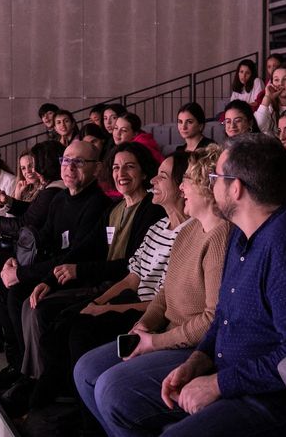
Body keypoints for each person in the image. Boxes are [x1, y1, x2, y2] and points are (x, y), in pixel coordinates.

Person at [87, 133, 286, 437]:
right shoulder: (243, 235)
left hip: (277, 397)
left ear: (237, 188)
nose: (209, 184)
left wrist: (218, 384)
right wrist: (196, 361)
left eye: (216, 176)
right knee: (116, 396)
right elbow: (223, 317)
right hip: (231, 372)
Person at [74, 145, 230, 435]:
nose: (181, 187)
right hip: (165, 332)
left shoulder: (221, 236)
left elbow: (212, 320)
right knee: (85, 369)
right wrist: (145, 324)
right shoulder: (190, 229)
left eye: (186, 181)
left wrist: (155, 342)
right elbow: (164, 292)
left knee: (112, 388)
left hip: (195, 347)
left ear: (207, 188)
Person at [12, 142, 165, 414]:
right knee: (39, 303)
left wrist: (79, 272)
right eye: (116, 167)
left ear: (144, 173)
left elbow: (130, 267)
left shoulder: (151, 210)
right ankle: (42, 385)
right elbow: (86, 247)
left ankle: (55, 394)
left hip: (121, 289)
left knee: (54, 316)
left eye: (129, 167)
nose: (121, 173)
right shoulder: (115, 208)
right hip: (106, 284)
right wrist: (49, 279)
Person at [0, 140, 113, 392]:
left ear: (97, 169)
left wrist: (22, 274)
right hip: (52, 269)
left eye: (79, 162)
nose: (69, 167)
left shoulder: (97, 205)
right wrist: (16, 259)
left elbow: (74, 256)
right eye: (66, 160)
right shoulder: (60, 198)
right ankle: (17, 364)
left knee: (17, 295)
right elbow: (42, 238)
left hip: (75, 276)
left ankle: (31, 378)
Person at [0, 141, 67, 353]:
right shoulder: (48, 189)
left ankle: (9, 342)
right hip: (26, 249)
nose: (30, 169)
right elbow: (32, 212)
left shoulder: (52, 191)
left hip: (36, 256)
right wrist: (10, 202)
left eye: (34, 163)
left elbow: (24, 223)